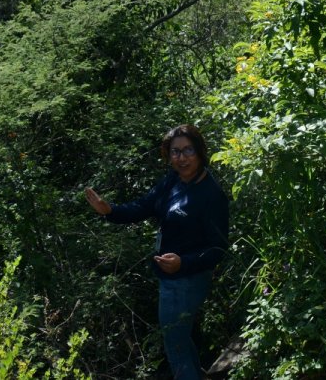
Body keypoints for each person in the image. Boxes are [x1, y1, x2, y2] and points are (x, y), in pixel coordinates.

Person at [85, 124, 229, 380]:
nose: (181, 158)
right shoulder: (172, 181)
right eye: (175, 152)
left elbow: (217, 248)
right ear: (168, 154)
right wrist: (110, 211)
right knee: (181, 342)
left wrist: (182, 263)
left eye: (188, 151)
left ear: (200, 152)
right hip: (171, 279)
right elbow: (144, 206)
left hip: (186, 281)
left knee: (175, 347)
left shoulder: (210, 194)